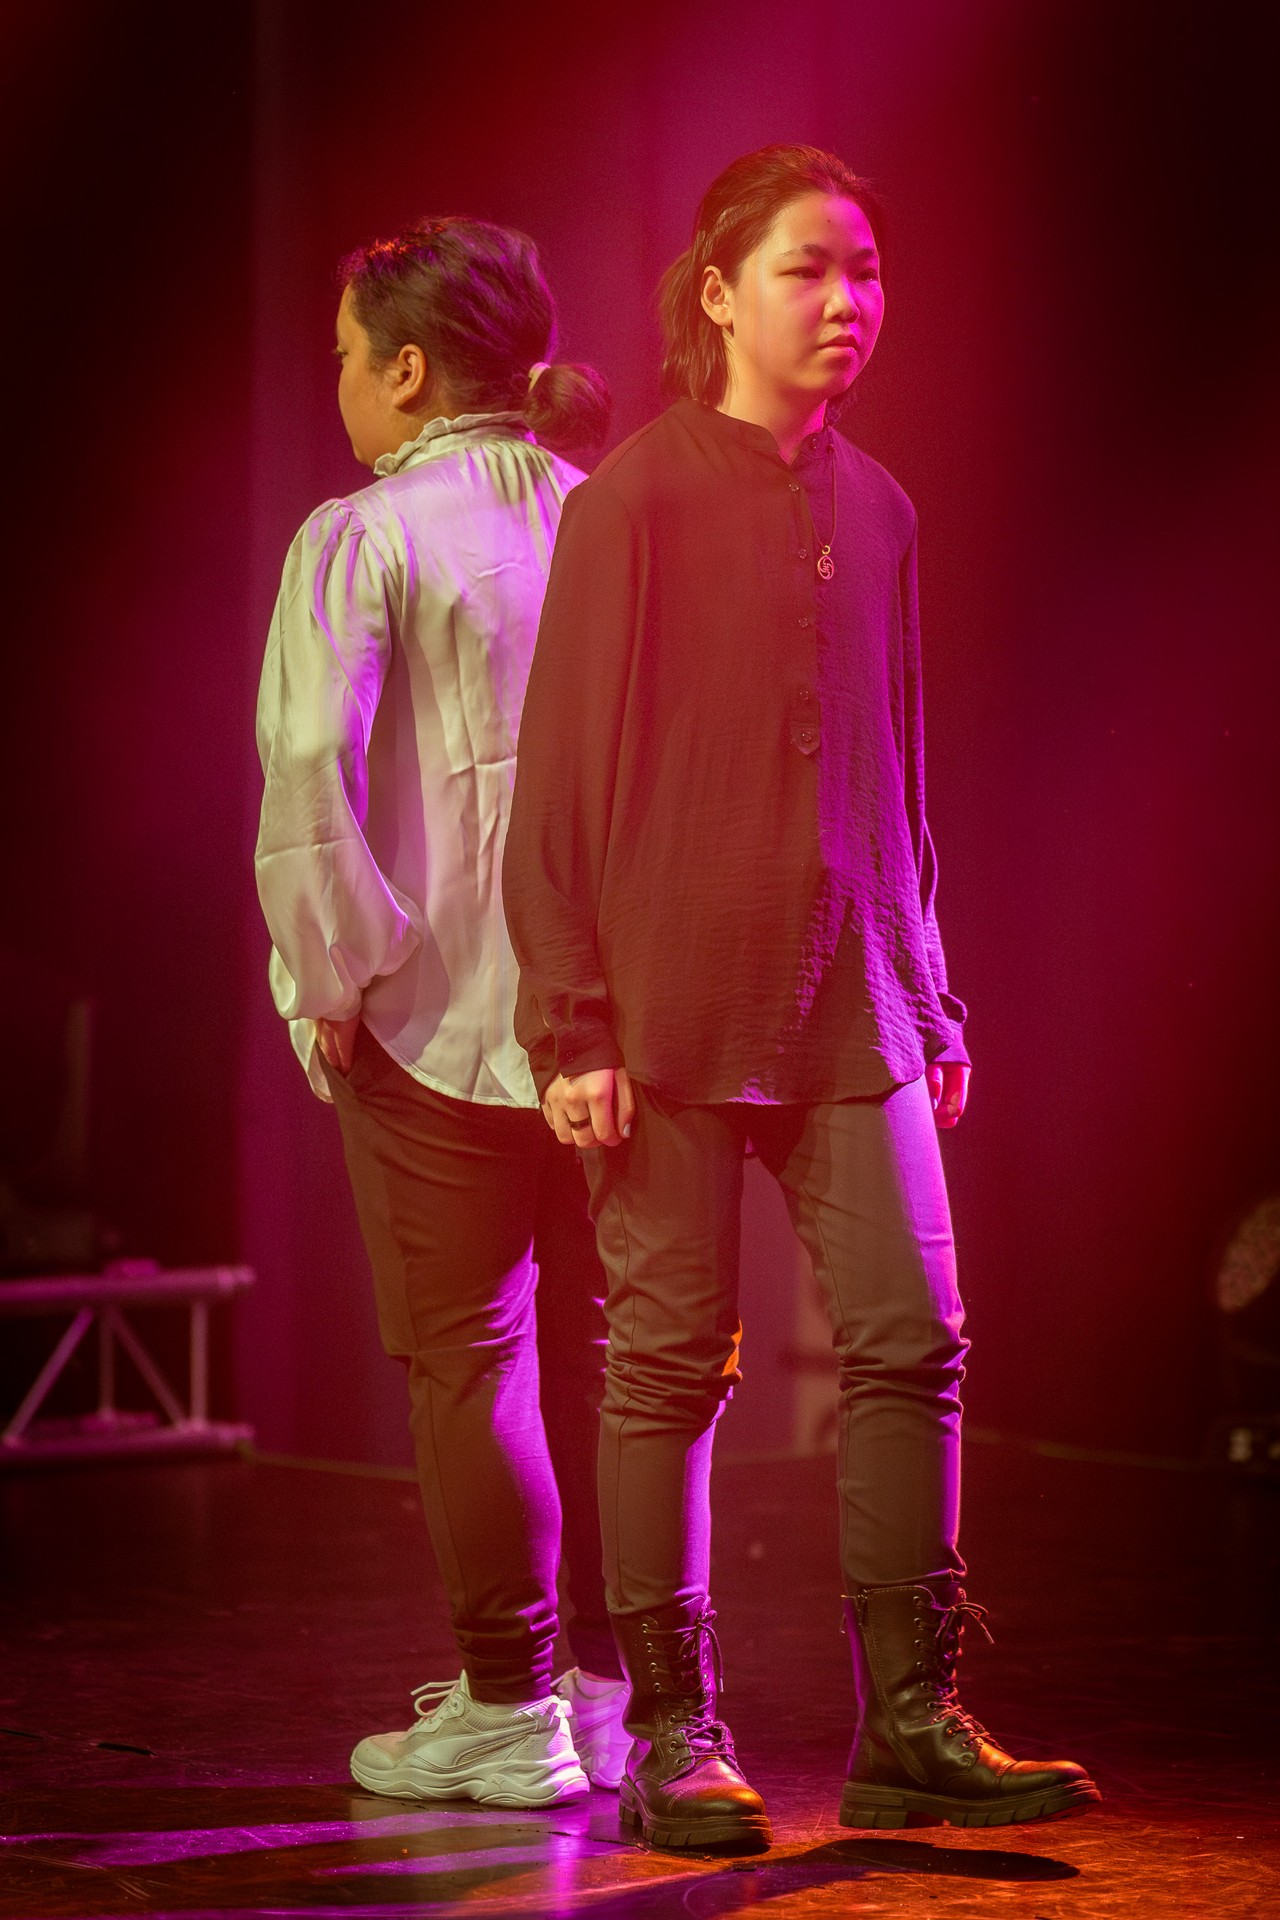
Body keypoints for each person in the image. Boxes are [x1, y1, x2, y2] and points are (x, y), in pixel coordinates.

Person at [503, 146, 1101, 1850]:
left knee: (913, 1342)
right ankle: (672, 1736)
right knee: (666, 1364)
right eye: (806, 269)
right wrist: (573, 1023)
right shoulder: (632, 501)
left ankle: (910, 1719)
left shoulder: (881, 507)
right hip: (668, 1001)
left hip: (859, 999)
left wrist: (935, 992)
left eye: (865, 270)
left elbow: (895, 773)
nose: (847, 302)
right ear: (718, 293)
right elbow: (558, 787)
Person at [254, 216, 630, 1808]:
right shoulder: (610, 511)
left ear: (407, 371)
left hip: (439, 1018)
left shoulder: (363, 534)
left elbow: (307, 770)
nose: (338, 385)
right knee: (603, 1356)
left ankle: (507, 1704)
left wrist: (330, 976)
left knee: (471, 1362)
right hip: (618, 1029)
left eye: (347, 358)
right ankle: (608, 1689)